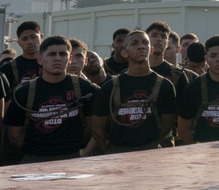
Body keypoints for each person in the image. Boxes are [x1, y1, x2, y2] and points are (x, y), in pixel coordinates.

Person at [2, 35, 97, 163]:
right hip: (34, 158)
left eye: (62, 54)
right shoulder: (23, 92)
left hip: (73, 157)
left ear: (69, 59)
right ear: (40, 59)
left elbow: (92, 127)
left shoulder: (85, 88)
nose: (57, 58)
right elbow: (14, 135)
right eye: (52, 54)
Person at [92, 30, 176, 154]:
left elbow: (167, 124)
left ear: (151, 50)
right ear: (124, 53)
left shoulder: (165, 85)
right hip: (117, 152)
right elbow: (97, 129)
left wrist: (150, 145)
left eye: (145, 43)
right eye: (134, 43)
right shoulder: (110, 87)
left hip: (151, 153)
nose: (141, 46)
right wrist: (109, 153)